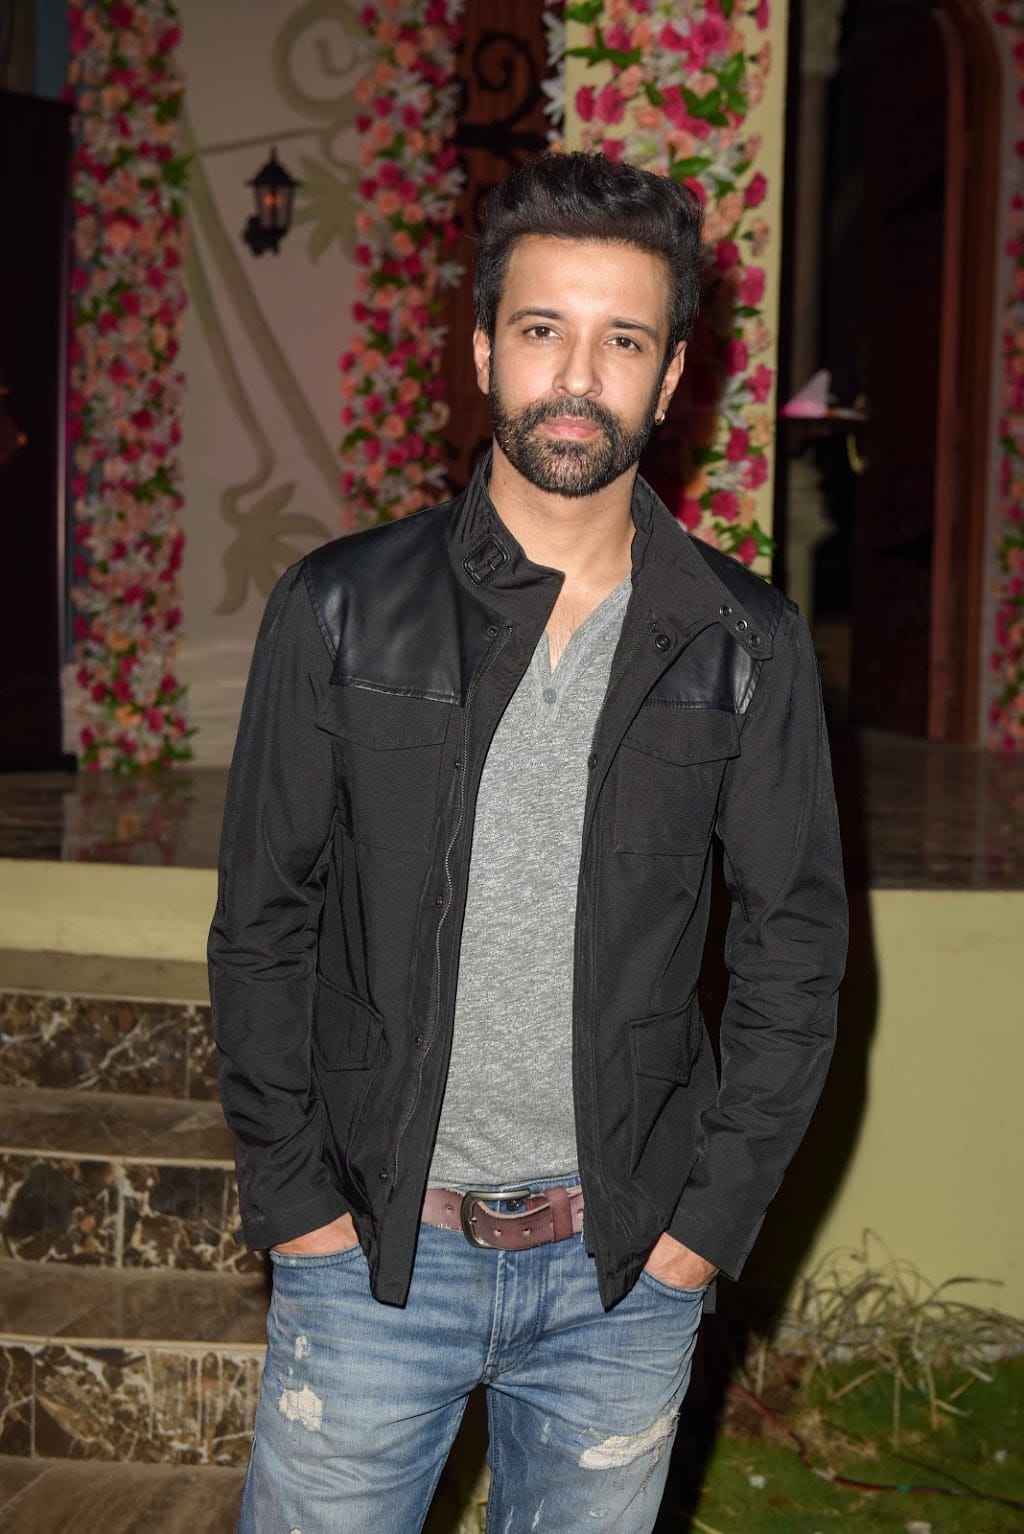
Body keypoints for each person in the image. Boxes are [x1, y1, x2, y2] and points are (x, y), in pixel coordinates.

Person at [209, 150, 847, 1534]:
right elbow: (262, 921)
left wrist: (699, 1234)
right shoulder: (338, 609)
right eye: (545, 328)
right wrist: (299, 1203)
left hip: (621, 1273)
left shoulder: (743, 643)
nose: (577, 375)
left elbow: (797, 957)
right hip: (373, 1256)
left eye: (623, 341)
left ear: (671, 378)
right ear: (484, 347)